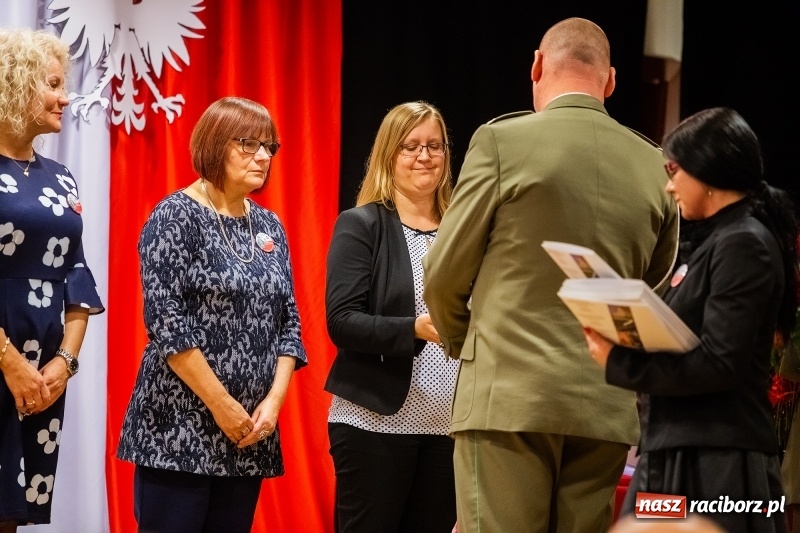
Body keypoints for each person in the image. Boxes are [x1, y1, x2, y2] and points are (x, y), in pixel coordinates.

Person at [422, 17, 679, 533]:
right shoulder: (654, 165)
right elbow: (653, 284)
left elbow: (444, 270)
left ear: (537, 65)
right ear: (609, 82)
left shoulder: (502, 142)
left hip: (506, 396)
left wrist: (462, 342)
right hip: (603, 406)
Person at [584, 107, 798, 533]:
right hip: (678, 451)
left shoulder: (744, 243)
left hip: (717, 464)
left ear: (708, 169)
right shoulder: (722, 239)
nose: (668, 184)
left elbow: (721, 364)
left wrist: (618, 362)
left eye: (674, 169)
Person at [116, 96, 308, 533]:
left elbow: (290, 323)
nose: (264, 156)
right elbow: (167, 324)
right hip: (178, 429)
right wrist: (223, 406)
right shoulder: (175, 216)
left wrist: (272, 404)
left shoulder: (270, 226)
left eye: (270, 147)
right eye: (249, 144)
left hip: (248, 435)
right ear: (215, 144)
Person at [324, 101, 458, 532]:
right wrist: (413, 328)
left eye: (434, 146)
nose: (424, 157)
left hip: (451, 426)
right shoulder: (361, 225)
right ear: (388, 155)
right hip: (372, 421)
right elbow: (341, 321)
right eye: (411, 147)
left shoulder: (464, 230)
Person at [0, 28, 105, 530]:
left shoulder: (61, 176)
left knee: (11, 515)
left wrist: (64, 362)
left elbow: (77, 276)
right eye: (54, 84)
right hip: (7, 368)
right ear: (15, 83)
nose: (66, 97)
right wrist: (8, 361)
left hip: (42, 382)